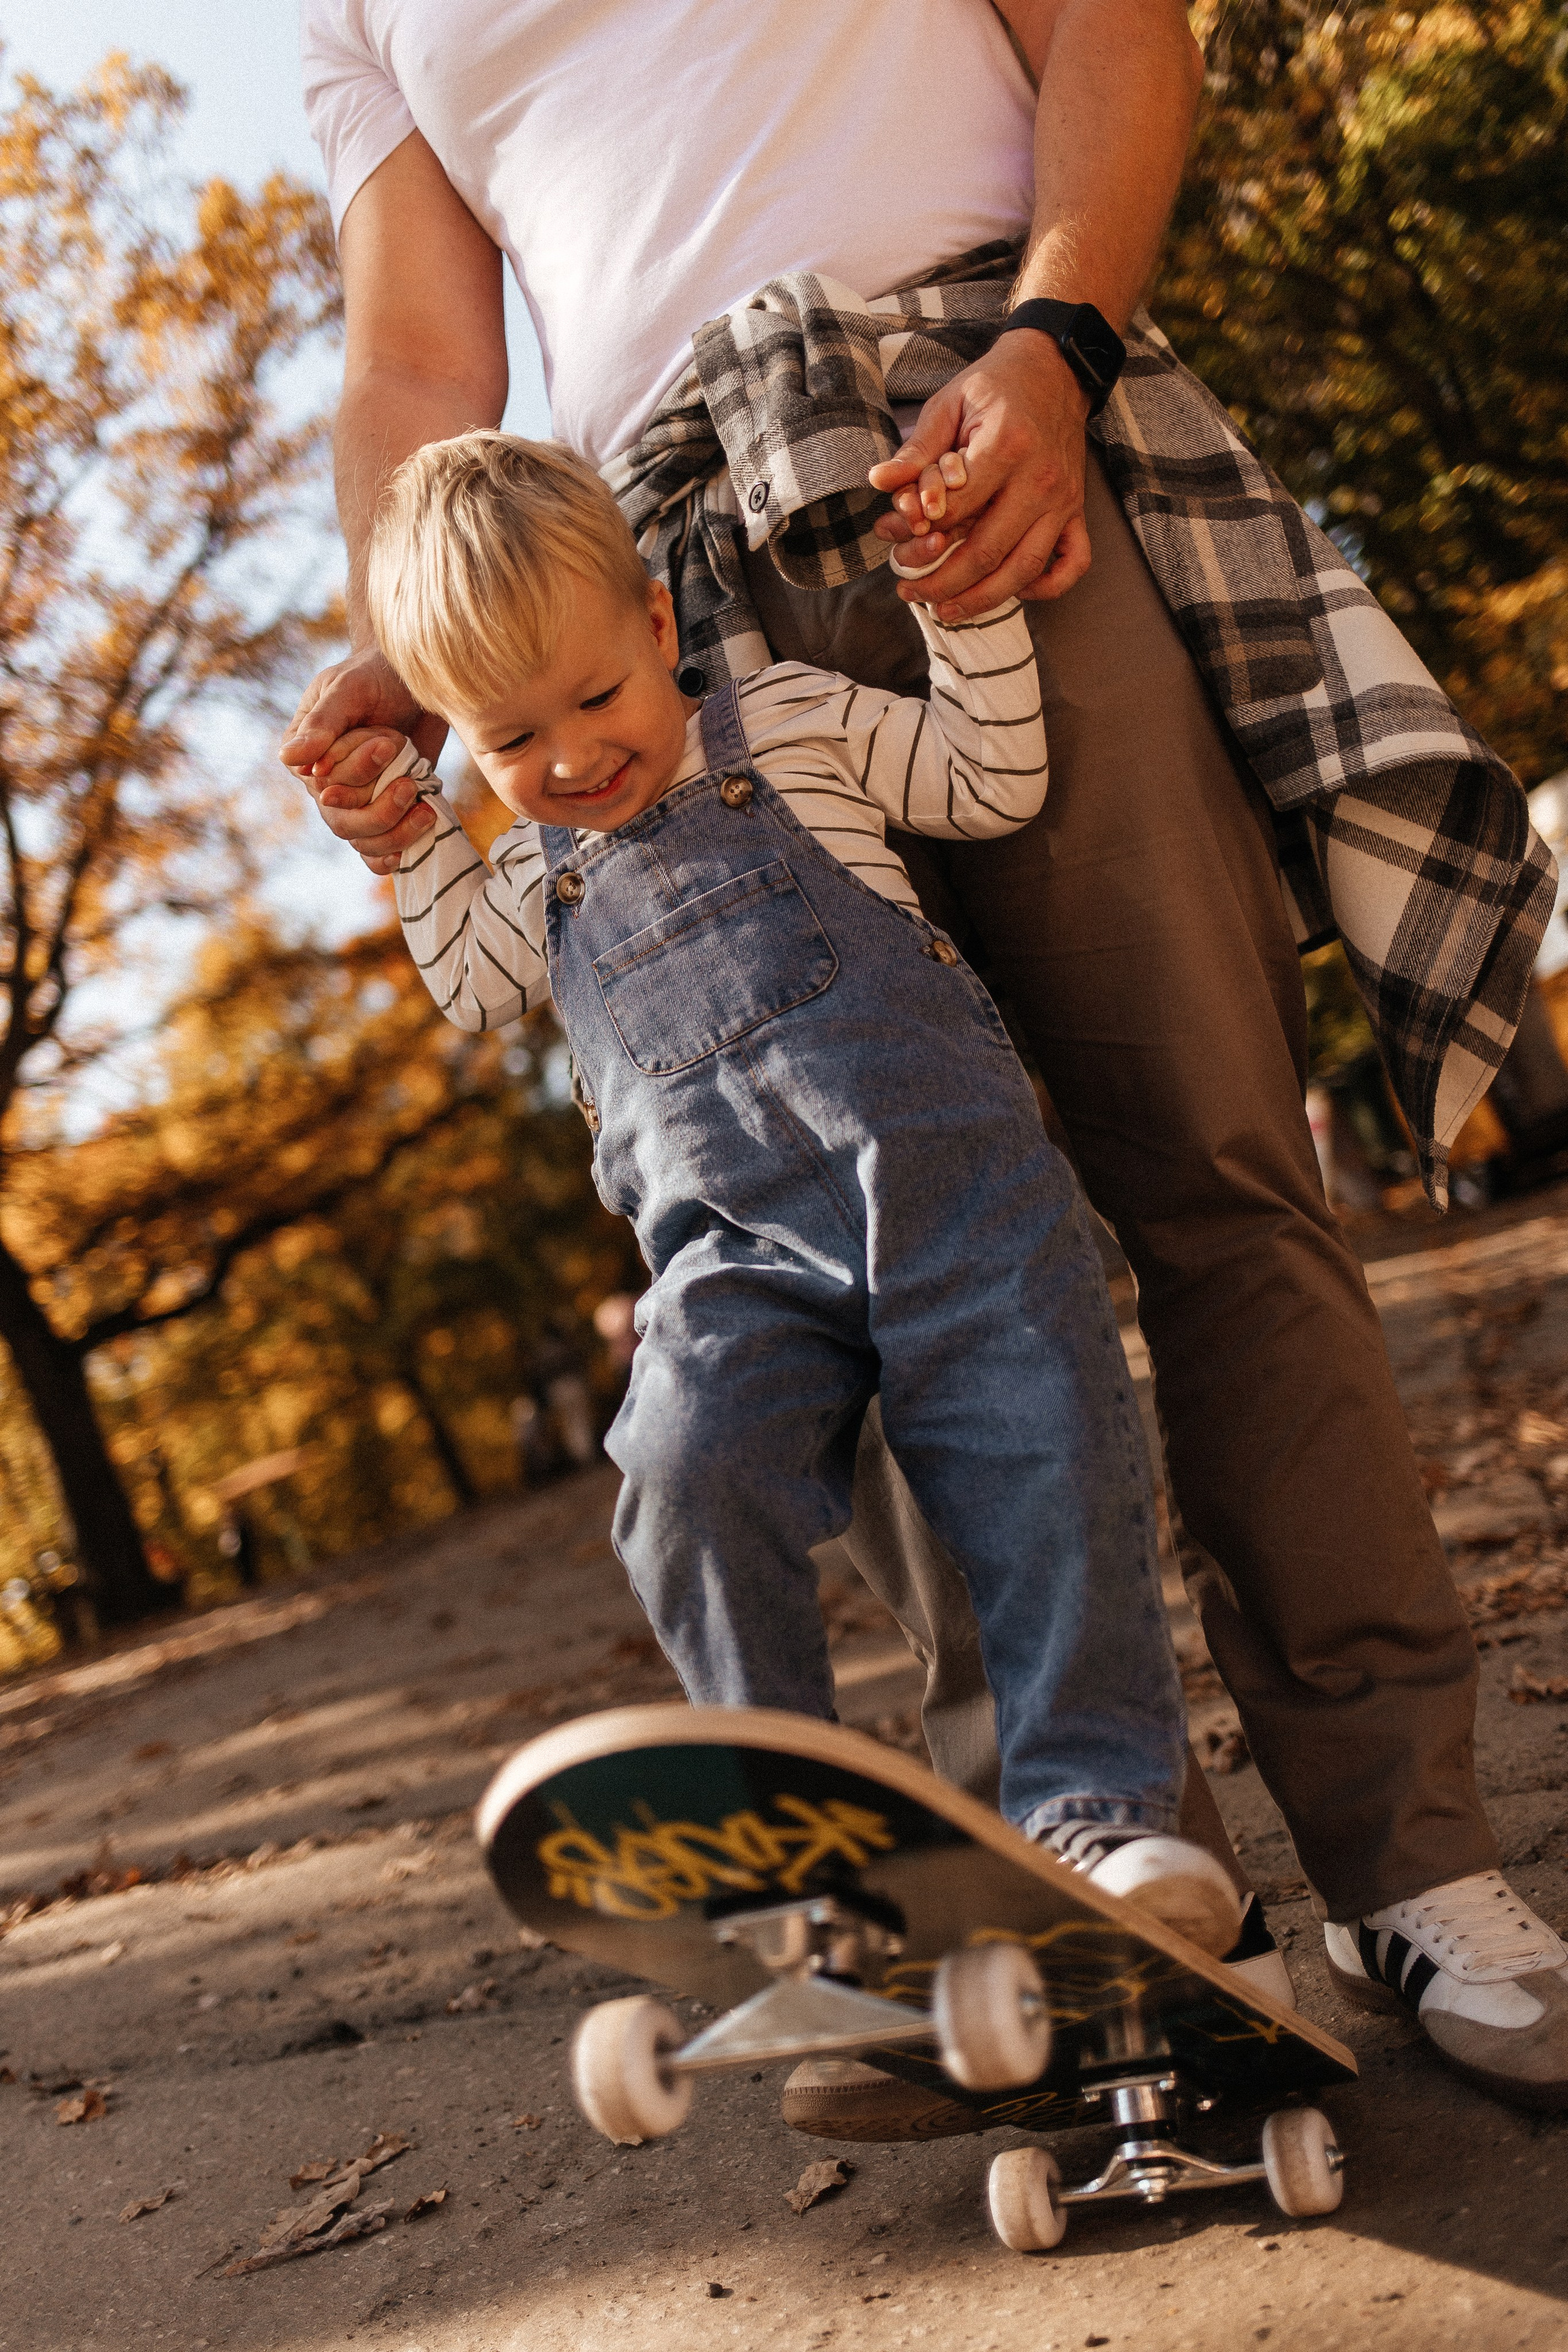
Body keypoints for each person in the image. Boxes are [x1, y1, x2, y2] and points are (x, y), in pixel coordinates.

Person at [282, 0, 1568, 2114]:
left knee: (1217, 1177)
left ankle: (1416, 1865)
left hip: (976, 425)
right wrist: (440, 633)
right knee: (855, 1269)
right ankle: (1096, 1895)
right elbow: (419, 364)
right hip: (644, 581)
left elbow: (1112, 33)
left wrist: (1059, 349)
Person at [329, 425, 1245, 1958]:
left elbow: (989, 776)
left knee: (1044, 1477)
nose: (566, 762)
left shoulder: (793, 722)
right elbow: (474, 989)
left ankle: (1097, 1820)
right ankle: (795, 1852)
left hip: (959, 1213)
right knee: (679, 1479)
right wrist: (415, 843)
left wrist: (965, 622)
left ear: (658, 624)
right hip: (728, 1267)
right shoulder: (532, 871)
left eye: (597, 698)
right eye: (505, 743)